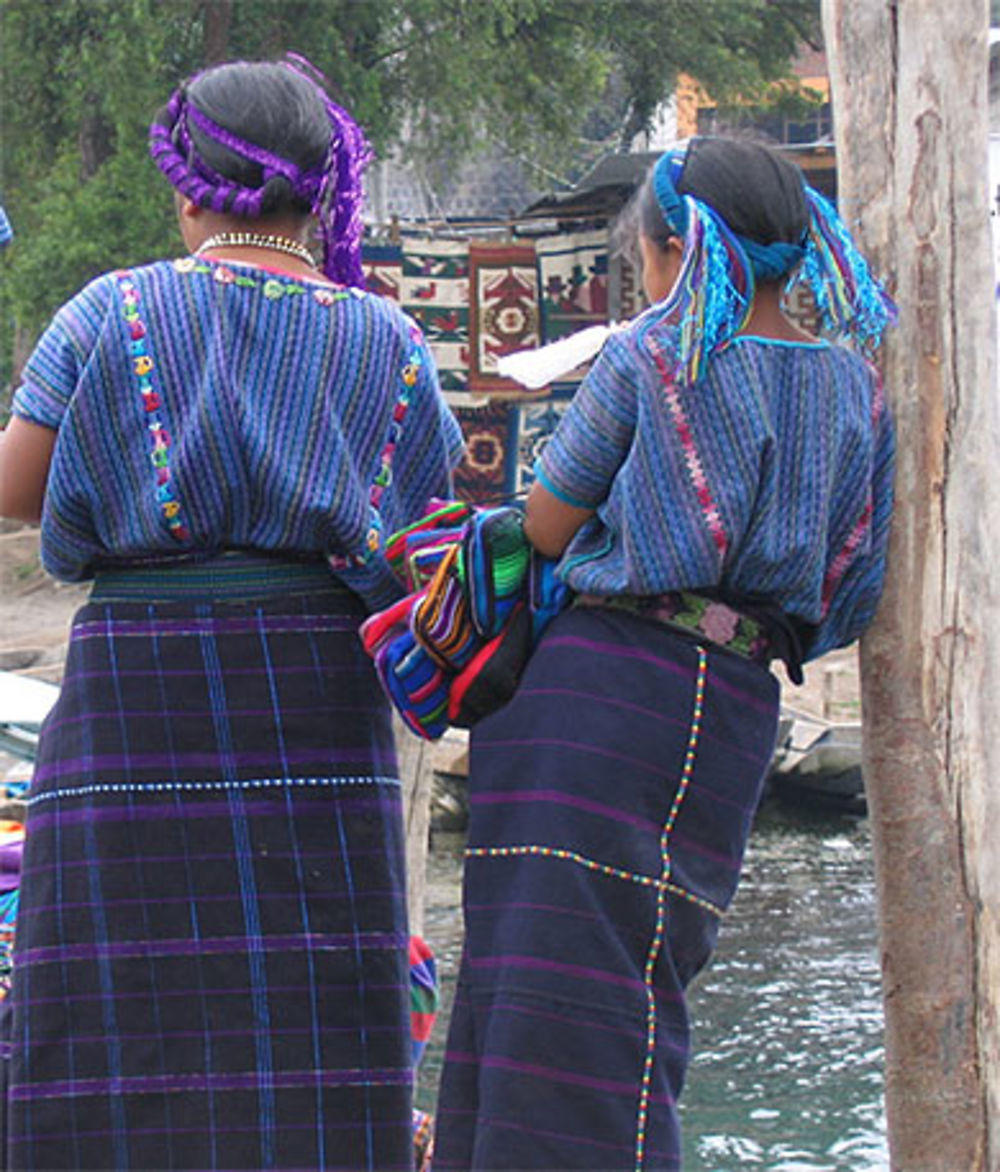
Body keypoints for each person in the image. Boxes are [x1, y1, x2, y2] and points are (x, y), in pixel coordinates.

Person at [0, 57, 463, 1170]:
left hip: (133, 705)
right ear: (321, 191)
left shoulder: (109, 311)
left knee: (112, 1008)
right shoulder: (384, 340)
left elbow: (14, 491)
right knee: (311, 1015)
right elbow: (433, 538)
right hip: (317, 716)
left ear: (187, 184)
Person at [433, 136, 896, 1171]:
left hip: (595, 696)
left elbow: (545, 524)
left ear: (671, 250)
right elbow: (851, 590)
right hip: (732, 709)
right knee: (635, 997)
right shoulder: (853, 390)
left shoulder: (649, 355)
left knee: (537, 991)